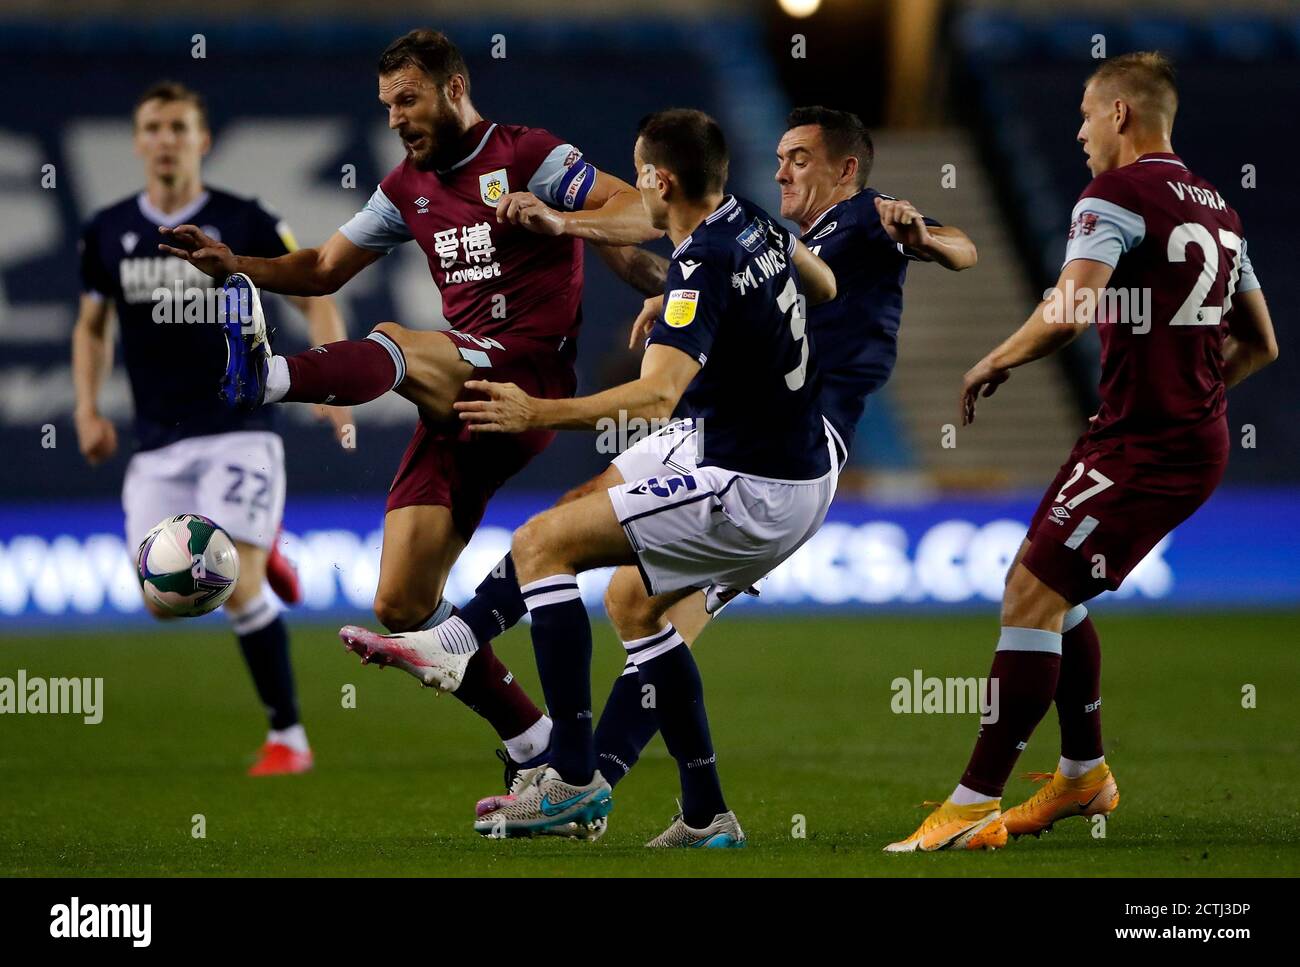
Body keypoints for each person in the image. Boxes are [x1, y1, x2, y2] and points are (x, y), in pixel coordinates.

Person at [342, 106, 978, 811]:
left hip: (784, 451)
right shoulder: (760, 224)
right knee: (616, 586)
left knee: (565, 553)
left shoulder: (865, 216)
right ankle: (679, 804)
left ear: (847, 169)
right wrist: (649, 278)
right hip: (743, 430)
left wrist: (923, 232)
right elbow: (802, 281)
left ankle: (574, 775)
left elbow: (960, 249)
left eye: (798, 156)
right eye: (777, 156)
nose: (781, 168)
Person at [158, 29, 662, 772]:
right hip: (458, 394)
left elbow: (642, 209)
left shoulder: (529, 156)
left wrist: (563, 219)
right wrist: (238, 264)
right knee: (400, 600)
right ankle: (534, 742)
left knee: (399, 340)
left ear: (455, 89)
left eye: (408, 99)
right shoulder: (406, 189)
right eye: (387, 105)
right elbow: (325, 267)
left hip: (528, 380)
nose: (395, 118)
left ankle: (268, 379)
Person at [885, 52, 1277, 852]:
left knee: (1029, 597)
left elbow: (1068, 310)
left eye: (1087, 114)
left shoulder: (1117, 194)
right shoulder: (1221, 212)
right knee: (1052, 593)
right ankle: (1082, 774)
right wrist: (1196, 399)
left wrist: (993, 358)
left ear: (1122, 115)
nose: (1079, 132)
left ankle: (970, 808)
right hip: (1167, 436)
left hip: (1146, 443)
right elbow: (1262, 343)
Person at [74, 81, 351, 775]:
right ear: (138, 142)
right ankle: (263, 546)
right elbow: (91, 325)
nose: (166, 139)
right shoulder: (107, 230)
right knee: (162, 598)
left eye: (179, 127)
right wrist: (85, 409)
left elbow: (314, 289)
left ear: (203, 139)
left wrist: (331, 376)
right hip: (156, 442)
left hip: (238, 425)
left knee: (237, 582)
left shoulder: (245, 219)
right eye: (154, 127)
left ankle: (289, 737)